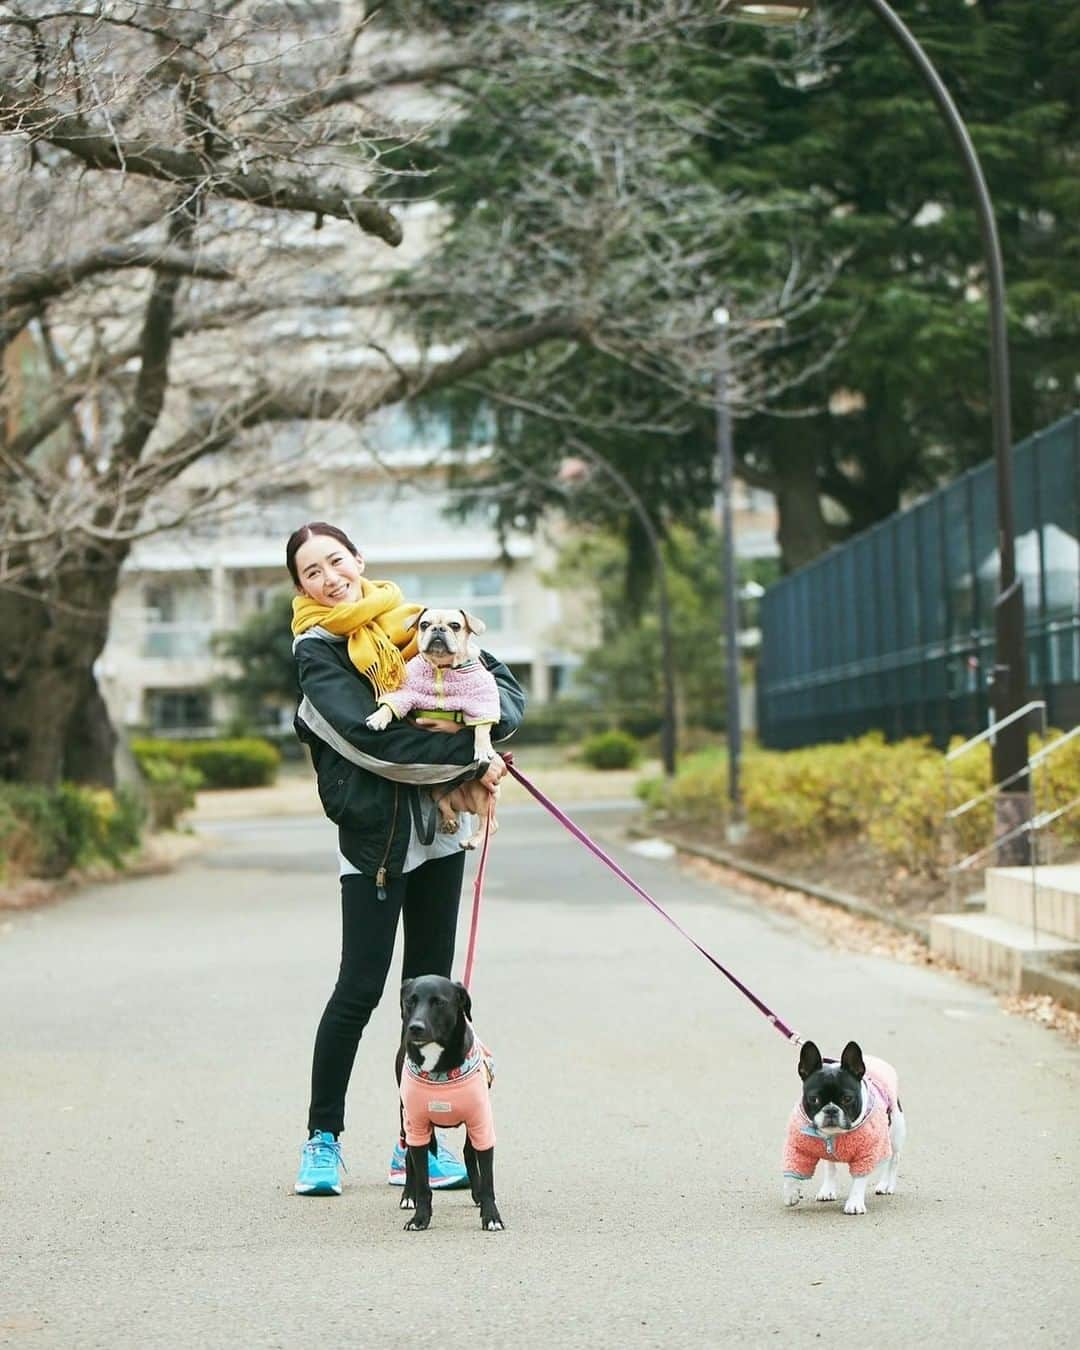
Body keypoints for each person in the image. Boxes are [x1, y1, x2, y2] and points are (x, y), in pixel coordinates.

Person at [285, 522, 524, 1196]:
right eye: (312, 572)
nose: (330, 577)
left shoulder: (418, 622)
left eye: (337, 561)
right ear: (300, 587)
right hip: (375, 843)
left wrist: (488, 737)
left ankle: (411, 1144)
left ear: (359, 560)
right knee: (360, 990)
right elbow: (372, 744)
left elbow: (502, 695)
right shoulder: (318, 652)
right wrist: (476, 755)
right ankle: (322, 1141)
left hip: (442, 837)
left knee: (431, 993)